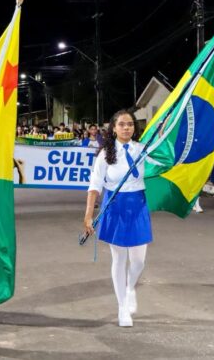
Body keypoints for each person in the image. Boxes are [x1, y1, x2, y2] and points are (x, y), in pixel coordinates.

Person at [83, 110, 152, 328]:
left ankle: (131, 287)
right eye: (121, 124)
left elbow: (164, 164)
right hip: (114, 206)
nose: (126, 128)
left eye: (130, 124)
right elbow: (94, 186)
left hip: (138, 205)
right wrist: (88, 215)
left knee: (139, 260)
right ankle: (122, 307)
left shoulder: (143, 150)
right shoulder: (105, 154)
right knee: (120, 259)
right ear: (114, 128)